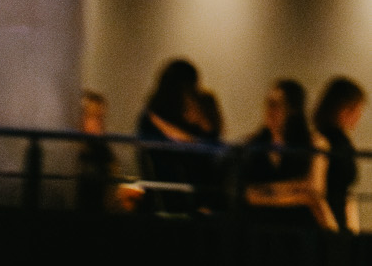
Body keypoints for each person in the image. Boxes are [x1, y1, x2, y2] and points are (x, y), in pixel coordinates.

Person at [239, 78, 333, 230]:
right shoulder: (253, 145)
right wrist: (296, 188)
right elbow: (248, 194)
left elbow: (314, 191)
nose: (269, 111)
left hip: (298, 226)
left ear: (293, 109)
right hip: (261, 225)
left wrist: (267, 191)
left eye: (276, 105)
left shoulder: (314, 143)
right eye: (268, 104)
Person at [136, 57, 220, 211]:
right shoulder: (155, 116)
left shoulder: (189, 109)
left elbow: (208, 140)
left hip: (187, 191)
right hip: (169, 191)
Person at [74, 90, 143, 217]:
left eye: (101, 118)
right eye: (93, 117)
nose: (99, 124)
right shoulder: (76, 152)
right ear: (80, 118)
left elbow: (113, 176)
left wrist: (122, 194)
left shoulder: (102, 148)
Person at [313, 75, 365, 235]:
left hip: (340, 224)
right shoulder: (322, 141)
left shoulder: (344, 142)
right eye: (356, 109)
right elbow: (316, 191)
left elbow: (346, 191)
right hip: (325, 226)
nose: (359, 115)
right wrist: (332, 229)